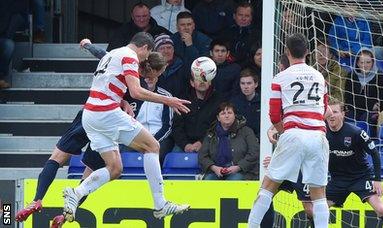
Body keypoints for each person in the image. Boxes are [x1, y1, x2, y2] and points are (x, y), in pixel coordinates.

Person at [15, 42, 170, 227]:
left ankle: (38, 200)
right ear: (152, 69)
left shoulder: (121, 61)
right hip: (109, 122)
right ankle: (63, 215)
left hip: (91, 116)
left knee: (58, 158)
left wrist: (88, 45)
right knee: (94, 173)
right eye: (158, 74)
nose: (156, 78)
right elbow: (130, 89)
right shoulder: (138, 81)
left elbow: (103, 55)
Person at [62, 32, 191, 222]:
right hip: (106, 112)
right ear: (145, 48)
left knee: (115, 168)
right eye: (146, 55)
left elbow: (105, 66)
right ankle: (160, 204)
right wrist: (168, 100)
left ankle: (76, 192)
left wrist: (89, 45)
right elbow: (136, 92)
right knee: (153, 146)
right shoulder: (130, 56)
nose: (145, 60)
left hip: (91, 115)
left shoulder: (113, 53)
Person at [247, 33, 330, 228]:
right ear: (308, 52)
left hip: (293, 133)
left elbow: (274, 114)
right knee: (319, 194)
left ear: (286, 51)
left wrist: (284, 132)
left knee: (267, 187)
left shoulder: (281, 78)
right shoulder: (319, 77)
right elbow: (325, 110)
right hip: (318, 135)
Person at [324, 99, 383, 227]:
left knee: (380, 209)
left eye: (335, 112)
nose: (331, 115)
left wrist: (378, 179)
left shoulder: (356, 132)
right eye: (329, 112)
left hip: (361, 177)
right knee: (317, 211)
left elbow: (374, 153)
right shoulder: (321, 134)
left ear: (343, 114)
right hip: (338, 180)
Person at [198, 102, 259, 180]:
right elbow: (202, 156)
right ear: (218, 118)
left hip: (241, 171)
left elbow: (254, 153)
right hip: (216, 171)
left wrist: (239, 167)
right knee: (208, 181)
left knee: (234, 181)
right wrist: (214, 168)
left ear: (234, 116)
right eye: (223, 113)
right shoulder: (211, 133)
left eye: (229, 113)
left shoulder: (246, 131)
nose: (227, 116)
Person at [231, 69, 261, 137]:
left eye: (249, 83)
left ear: (256, 84)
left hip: (260, 141)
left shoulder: (263, 102)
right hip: (240, 141)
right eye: (243, 83)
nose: (246, 87)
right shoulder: (234, 102)